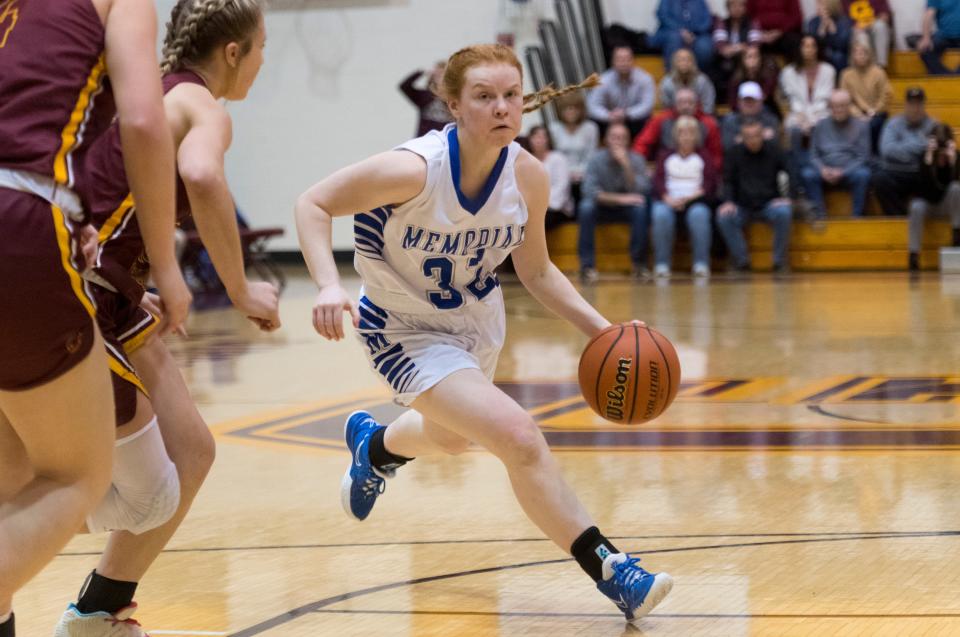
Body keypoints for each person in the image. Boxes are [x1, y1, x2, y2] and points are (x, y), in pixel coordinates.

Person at [295, 44, 673, 623]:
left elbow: (537, 270)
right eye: (484, 97)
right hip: (401, 328)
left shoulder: (527, 175)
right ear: (453, 105)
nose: (501, 108)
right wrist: (326, 284)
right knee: (518, 437)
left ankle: (373, 446)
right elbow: (314, 202)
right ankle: (613, 570)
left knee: (452, 439)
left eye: (511, 96)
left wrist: (606, 331)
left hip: (474, 325)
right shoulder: (414, 169)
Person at [54, 1, 281, 634]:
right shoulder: (201, 107)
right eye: (262, 47)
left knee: (192, 452)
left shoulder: (147, 88)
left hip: (110, 283)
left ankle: (97, 614)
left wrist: (138, 281)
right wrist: (239, 290)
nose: (265, 61)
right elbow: (203, 175)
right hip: (82, 289)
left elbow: (103, 201)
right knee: (133, 489)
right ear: (232, 52)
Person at [0, 0, 191, 635]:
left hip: (36, 215)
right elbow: (143, 119)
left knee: (15, 477)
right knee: (76, 474)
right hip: (16, 220)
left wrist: (72, 213)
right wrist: (165, 264)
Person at [578, 123, 651, 282]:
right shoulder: (596, 159)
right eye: (614, 137)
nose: (618, 142)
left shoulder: (636, 159)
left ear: (628, 141)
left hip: (626, 209)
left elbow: (642, 191)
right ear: (606, 140)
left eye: (622, 138)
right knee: (585, 207)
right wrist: (621, 198)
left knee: (640, 209)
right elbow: (588, 190)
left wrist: (626, 165)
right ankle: (587, 266)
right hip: (602, 206)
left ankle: (639, 265)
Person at [717, 120, 793, 271]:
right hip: (742, 205)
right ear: (742, 138)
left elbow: (792, 173)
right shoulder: (733, 153)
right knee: (724, 217)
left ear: (763, 135)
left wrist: (788, 197)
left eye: (756, 136)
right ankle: (741, 261)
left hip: (769, 204)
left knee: (784, 212)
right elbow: (727, 180)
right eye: (748, 137)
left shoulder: (775, 150)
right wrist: (728, 201)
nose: (753, 140)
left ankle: (779, 261)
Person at [650, 116, 717, 278]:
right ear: (676, 136)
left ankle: (701, 264)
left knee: (699, 214)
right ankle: (661, 264)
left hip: (695, 201)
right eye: (682, 133)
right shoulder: (665, 156)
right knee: (660, 214)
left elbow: (709, 184)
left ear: (696, 136)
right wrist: (668, 199)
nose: (686, 137)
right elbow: (657, 181)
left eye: (690, 133)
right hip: (668, 200)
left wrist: (688, 200)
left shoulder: (704, 156)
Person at [800, 90, 871, 219]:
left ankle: (857, 217)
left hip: (849, 171)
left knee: (864, 174)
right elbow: (813, 155)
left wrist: (843, 171)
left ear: (849, 106)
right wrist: (822, 169)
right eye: (834, 106)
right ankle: (820, 216)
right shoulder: (820, 125)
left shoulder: (861, 126)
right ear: (830, 107)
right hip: (825, 171)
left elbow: (863, 157)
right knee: (808, 174)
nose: (838, 109)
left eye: (842, 105)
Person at [780, 35, 836, 197]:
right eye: (805, 45)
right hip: (797, 114)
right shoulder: (788, 72)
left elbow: (825, 99)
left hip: (822, 114)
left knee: (822, 125)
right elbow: (792, 100)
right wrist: (802, 118)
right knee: (794, 129)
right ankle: (797, 180)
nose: (809, 49)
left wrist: (811, 120)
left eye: (812, 46)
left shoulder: (828, 70)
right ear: (799, 48)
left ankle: (819, 171)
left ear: (818, 49)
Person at [872, 87, 937, 216]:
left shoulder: (933, 125)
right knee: (879, 179)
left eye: (919, 104)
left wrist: (901, 149)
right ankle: (898, 218)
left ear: (924, 106)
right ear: (905, 105)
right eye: (912, 104)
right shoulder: (892, 123)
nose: (915, 109)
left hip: (920, 173)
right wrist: (921, 147)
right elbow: (887, 151)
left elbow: (933, 154)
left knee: (935, 179)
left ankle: (926, 218)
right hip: (895, 171)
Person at [908, 123, 960, 270]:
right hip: (928, 204)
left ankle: (957, 234)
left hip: (947, 206)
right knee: (916, 206)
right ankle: (913, 254)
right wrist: (928, 162)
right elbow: (923, 190)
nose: (941, 152)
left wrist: (953, 163)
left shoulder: (956, 156)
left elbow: (956, 184)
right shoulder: (924, 157)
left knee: (956, 188)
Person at [633, 87, 723, 171]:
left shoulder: (709, 124)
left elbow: (716, 157)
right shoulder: (661, 120)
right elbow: (642, 144)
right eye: (681, 102)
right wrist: (640, 167)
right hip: (666, 169)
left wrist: (710, 175)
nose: (686, 106)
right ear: (674, 105)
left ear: (697, 104)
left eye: (690, 102)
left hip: (699, 170)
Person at [586, 45, 656, 139]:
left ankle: (640, 150)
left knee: (650, 120)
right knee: (591, 122)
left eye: (627, 59)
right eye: (619, 59)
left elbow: (647, 106)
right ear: (613, 62)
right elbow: (592, 106)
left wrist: (626, 114)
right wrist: (608, 115)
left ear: (633, 61)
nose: (623, 63)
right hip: (609, 120)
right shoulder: (603, 80)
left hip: (634, 120)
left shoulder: (645, 78)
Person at [840, 40, 892, 152]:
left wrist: (874, 111)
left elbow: (886, 96)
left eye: (863, 53)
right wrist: (858, 115)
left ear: (869, 55)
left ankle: (874, 155)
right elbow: (845, 100)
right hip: (855, 114)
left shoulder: (879, 72)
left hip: (877, 112)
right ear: (852, 55)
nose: (861, 56)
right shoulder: (846, 75)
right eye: (857, 53)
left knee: (873, 126)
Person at [548, 93, 599, 203]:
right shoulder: (554, 128)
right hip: (560, 175)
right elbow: (553, 156)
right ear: (560, 110)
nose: (571, 111)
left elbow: (591, 156)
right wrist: (566, 173)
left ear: (581, 109)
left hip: (584, 175)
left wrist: (580, 172)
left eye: (574, 108)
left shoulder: (590, 127)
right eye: (566, 108)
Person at [525, 125, 573, 229]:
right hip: (532, 208)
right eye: (535, 137)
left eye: (542, 137)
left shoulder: (558, 158)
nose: (539, 140)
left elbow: (561, 187)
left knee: (539, 220)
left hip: (557, 208)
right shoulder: (525, 161)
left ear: (548, 140)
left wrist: (540, 205)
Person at [712, 0, 763, 92]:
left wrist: (733, 49)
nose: (737, 9)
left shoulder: (752, 23)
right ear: (728, 8)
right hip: (726, 62)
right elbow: (721, 49)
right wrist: (740, 47)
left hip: (746, 61)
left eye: (740, 5)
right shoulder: (721, 23)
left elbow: (754, 46)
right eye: (733, 5)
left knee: (751, 63)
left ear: (745, 8)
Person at [650, 0, 714, 72]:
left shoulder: (700, 1)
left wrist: (693, 32)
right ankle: (672, 75)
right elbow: (662, 15)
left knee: (704, 46)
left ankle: (698, 76)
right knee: (674, 38)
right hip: (672, 32)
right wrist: (681, 31)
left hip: (696, 34)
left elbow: (707, 20)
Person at [399, 61, 454, 137]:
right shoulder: (424, 95)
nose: (440, 77)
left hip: (446, 140)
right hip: (423, 139)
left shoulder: (453, 97)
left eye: (442, 74)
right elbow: (404, 86)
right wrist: (422, 72)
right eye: (437, 74)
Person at [721, 81, 780, 149]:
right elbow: (728, 145)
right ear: (739, 102)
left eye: (753, 101)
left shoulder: (771, 120)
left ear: (761, 101)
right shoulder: (729, 121)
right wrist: (760, 136)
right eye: (746, 100)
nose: (749, 104)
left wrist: (742, 139)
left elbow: (775, 145)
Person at [659, 48, 717, 114]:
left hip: (700, 116)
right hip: (674, 117)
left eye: (687, 60)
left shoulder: (702, 81)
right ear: (674, 63)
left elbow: (708, 105)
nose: (684, 62)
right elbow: (666, 106)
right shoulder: (667, 82)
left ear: (693, 63)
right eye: (680, 60)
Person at [728, 43, 781, 115]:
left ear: (760, 59)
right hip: (741, 112)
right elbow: (733, 102)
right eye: (749, 57)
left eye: (756, 56)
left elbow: (765, 95)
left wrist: (752, 107)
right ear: (743, 60)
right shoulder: (736, 79)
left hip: (765, 109)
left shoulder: (769, 76)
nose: (753, 60)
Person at [806, 0, 854, 72]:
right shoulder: (812, 22)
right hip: (819, 53)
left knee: (838, 57)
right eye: (818, 4)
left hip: (839, 54)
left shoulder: (843, 21)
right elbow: (812, 44)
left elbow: (842, 46)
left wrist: (833, 31)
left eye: (821, 5)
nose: (818, 7)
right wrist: (821, 30)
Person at [842, 0, 892, 67]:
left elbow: (884, 16)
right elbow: (842, 21)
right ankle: (865, 68)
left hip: (873, 26)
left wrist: (867, 24)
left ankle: (881, 66)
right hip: (855, 30)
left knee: (880, 26)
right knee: (861, 36)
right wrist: (855, 28)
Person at [917, 0, 960, 75]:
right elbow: (929, 15)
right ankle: (947, 76)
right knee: (925, 50)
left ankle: (956, 76)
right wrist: (926, 38)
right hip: (944, 35)